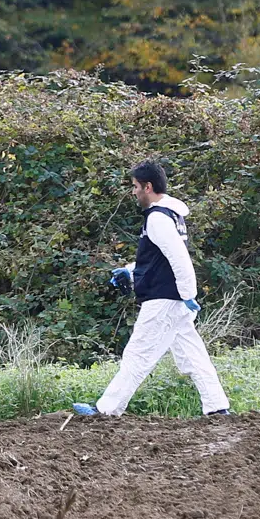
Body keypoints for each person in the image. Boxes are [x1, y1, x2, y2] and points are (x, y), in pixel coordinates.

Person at [73, 160, 231, 417]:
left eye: (135, 187)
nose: (133, 192)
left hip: (164, 300)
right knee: (192, 356)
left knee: (138, 353)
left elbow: (179, 257)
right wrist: (131, 271)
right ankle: (217, 407)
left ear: (148, 186)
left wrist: (189, 294)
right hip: (174, 299)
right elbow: (158, 259)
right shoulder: (170, 215)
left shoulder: (158, 218)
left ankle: (106, 410)